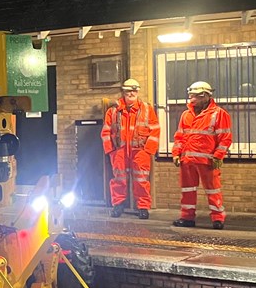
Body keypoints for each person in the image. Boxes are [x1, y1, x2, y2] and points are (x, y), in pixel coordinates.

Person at [171, 80, 233, 229]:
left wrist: (218, 156)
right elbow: (179, 136)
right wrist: (176, 153)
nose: (192, 99)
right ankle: (187, 218)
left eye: (195, 96)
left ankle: (218, 219)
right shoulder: (186, 115)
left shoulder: (219, 114)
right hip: (187, 160)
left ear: (205, 96)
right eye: (191, 96)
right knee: (187, 190)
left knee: (213, 190)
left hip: (208, 161)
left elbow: (225, 138)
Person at [100, 78, 160, 219]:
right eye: (128, 91)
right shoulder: (113, 111)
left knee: (141, 180)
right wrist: (110, 151)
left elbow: (155, 130)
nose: (131, 93)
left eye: (134, 90)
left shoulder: (147, 109)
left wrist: (148, 150)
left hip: (140, 151)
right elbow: (106, 131)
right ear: (123, 92)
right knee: (119, 179)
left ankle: (143, 207)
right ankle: (118, 205)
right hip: (119, 151)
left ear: (138, 91)